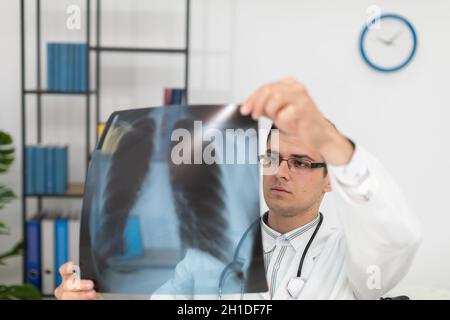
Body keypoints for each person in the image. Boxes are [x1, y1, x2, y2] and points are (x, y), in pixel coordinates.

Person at [54, 78, 421, 300]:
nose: (281, 172)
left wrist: (330, 140)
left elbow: (397, 237)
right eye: (271, 158)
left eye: (301, 162)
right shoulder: (210, 252)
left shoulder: (352, 259)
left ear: (330, 180)